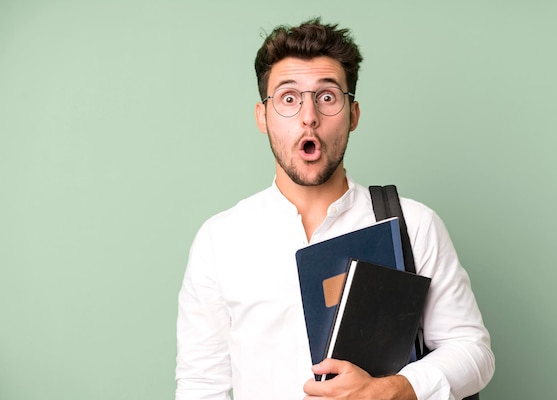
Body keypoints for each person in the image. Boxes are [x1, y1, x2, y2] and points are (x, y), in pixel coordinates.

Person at [176, 18, 495, 400]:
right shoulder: (220, 240)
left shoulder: (412, 224)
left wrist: (395, 389)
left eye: (326, 97)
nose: (309, 116)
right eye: (289, 98)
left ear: (353, 114)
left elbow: (473, 351)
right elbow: (200, 386)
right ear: (263, 117)